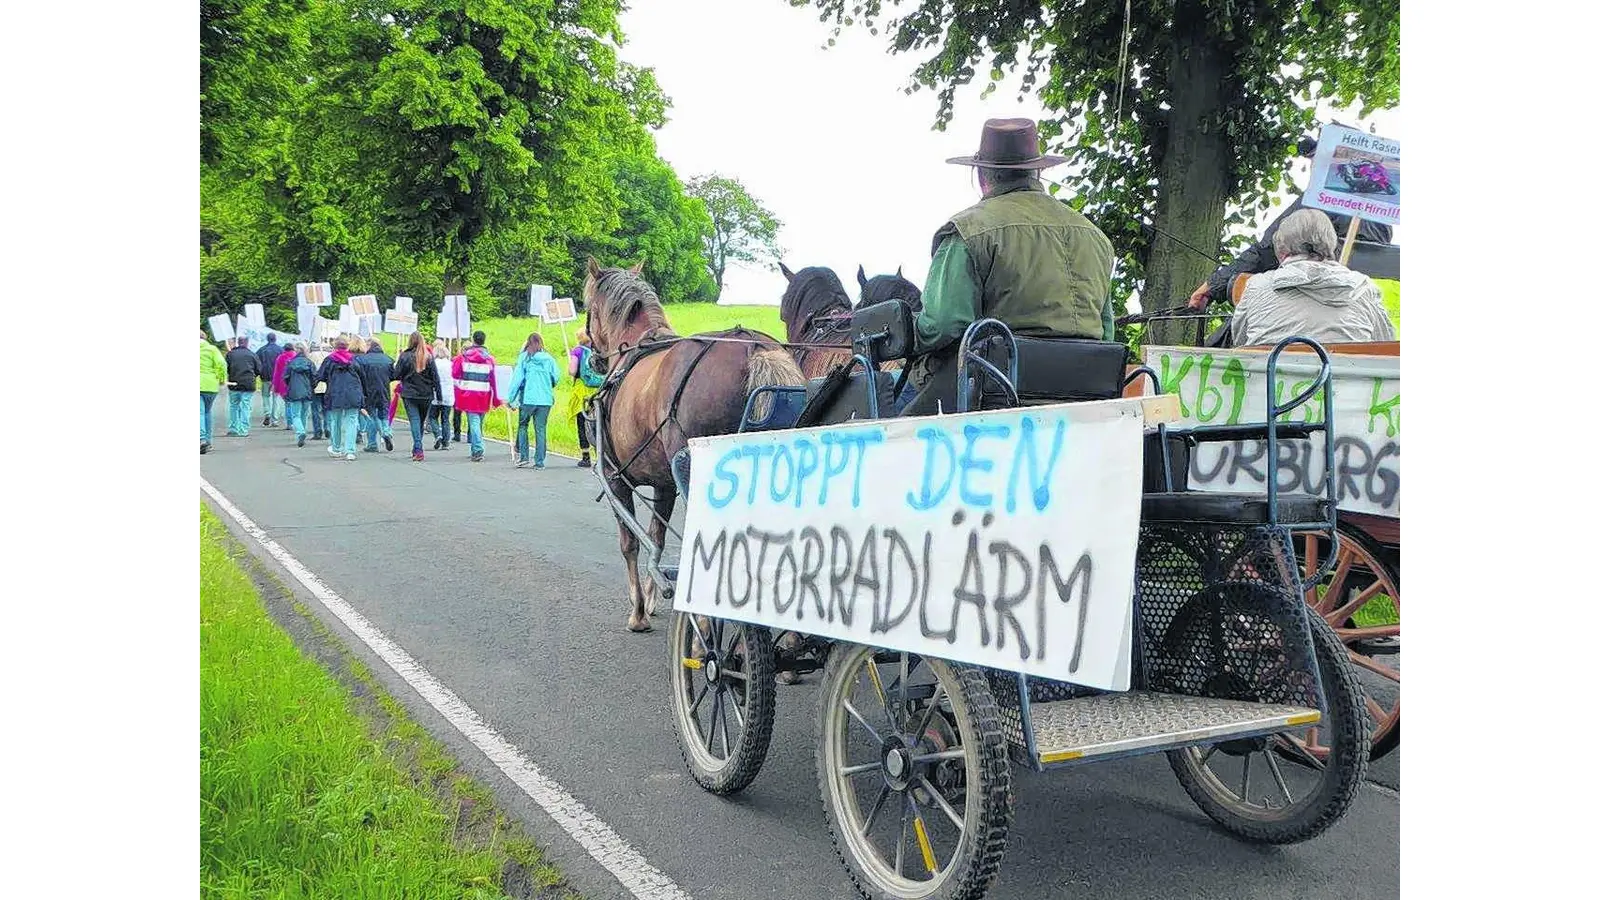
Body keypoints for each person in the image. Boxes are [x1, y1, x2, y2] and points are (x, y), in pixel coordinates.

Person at [902, 117, 1114, 416]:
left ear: (981, 175)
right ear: (1037, 171)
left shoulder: (968, 231)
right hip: (1086, 399)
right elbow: (1105, 332)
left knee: (884, 405)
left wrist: (903, 332)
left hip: (994, 395)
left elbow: (945, 324)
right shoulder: (1095, 237)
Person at [1187, 136, 1393, 311]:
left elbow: (1267, 250)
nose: (1313, 166)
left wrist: (1213, 286)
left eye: (1317, 159)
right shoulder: (1383, 217)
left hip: (1311, 308)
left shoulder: (1321, 200)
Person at [1227, 208, 1395, 348]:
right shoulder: (1365, 289)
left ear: (1281, 249)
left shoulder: (1255, 286)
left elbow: (1240, 343)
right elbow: (1386, 346)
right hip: (1342, 386)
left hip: (1268, 385)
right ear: (1332, 244)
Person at [507, 332, 560, 469]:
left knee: (523, 426)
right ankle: (539, 462)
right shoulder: (549, 359)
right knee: (540, 429)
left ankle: (524, 457)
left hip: (528, 398)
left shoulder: (525, 358)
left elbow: (517, 379)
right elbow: (556, 377)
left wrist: (510, 398)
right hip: (545, 399)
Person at [393, 331, 444, 461]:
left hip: (410, 393)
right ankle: (417, 447)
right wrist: (439, 395)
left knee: (414, 420)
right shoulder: (428, 357)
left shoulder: (405, 356)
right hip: (426, 394)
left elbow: (397, 374)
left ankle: (418, 448)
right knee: (420, 421)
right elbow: (435, 378)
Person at [451, 331, 500, 462]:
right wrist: (496, 399)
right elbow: (494, 380)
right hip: (484, 395)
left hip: (468, 395)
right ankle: (475, 448)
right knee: (478, 422)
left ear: (473, 340)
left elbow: (455, 375)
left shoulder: (463, 357)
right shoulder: (489, 360)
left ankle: (477, 448)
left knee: (474, 422)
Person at [316, 337, 365, 460]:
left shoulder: (329, 360)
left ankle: (336, 448)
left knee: (335, 421)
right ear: (348, 346)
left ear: (335, 346)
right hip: (353, 394)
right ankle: (350, 451)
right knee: (352, 422)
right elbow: (363, 377)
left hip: (335, 394)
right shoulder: (355, 360)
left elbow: (320, 376)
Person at [566, 330, 604, 467]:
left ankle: (586, 457)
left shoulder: (577, 351)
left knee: (582, 424)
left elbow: (572, 371)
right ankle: (602, 456)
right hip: (599, 390)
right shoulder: (597, 351)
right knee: (599, 424)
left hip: (582, 391)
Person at [355, 335, 396, 453]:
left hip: (369, 391)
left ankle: (373, 443)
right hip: (384, 390)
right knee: (383, 415)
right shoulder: (388, 359)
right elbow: (393, 375)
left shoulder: (362, 360)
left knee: (371, 416)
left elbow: (359, 376)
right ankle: (387, 432)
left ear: (369, 345)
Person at [224, 336, 262, 436]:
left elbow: (225, 368)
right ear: (247, 343)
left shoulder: (230, 354)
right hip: (248, 383)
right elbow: (258, 370)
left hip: (234, 383)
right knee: (246, 406)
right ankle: (243, 430)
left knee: (233, 406)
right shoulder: (252, 354)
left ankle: (233, 428)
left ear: (238, 342)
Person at [283, 343, 317, 448]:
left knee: (295, 415)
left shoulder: (291, 363)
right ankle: (302, 434)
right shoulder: (310, 363)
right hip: (307, 391)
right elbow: (314, 377)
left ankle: (300, 432)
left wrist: (290, 385)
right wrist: (311, 387)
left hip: (294, 391)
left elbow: (286, 377)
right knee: (304, 414)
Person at [199, 330, 227, 454]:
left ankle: (201, 439)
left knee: (199, 412)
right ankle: (208, 441)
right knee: (207, 412)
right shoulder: (212, 349)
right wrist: (221, 379)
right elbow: (221, 364)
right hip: (210, 384)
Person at [427, 339, 454, 450]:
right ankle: (446, 442)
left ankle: (438, 434)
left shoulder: (433, 364)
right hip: (448, 395)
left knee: (433, 417)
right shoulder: (451, 364)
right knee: (445, 419)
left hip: (435, 394)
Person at [255, 333, 285, 427]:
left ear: (267, 339)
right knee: (276, 398)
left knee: (265, 396)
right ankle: (275, 419)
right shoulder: (280, 350)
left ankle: (267, 414)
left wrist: (259, 373)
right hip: (277, 378)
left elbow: (256, 362)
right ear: (275, 339)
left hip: (265, 377)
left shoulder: (261, 350)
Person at [270, 340, 297, 430]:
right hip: (295, 383)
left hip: (283, 384)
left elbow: (277, 373)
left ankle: (290, 423)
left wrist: (275, 386)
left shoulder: (280, 358)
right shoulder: (296, 357)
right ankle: (296, 422)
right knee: (295, 404)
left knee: (288, 404)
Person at [306, 342, 329, 441]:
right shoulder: (328, 356)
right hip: (326, 385)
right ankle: (328, 428)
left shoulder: (310, 357)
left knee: (315, 410)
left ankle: (318, 431)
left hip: (315, 386)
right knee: (327, 409)